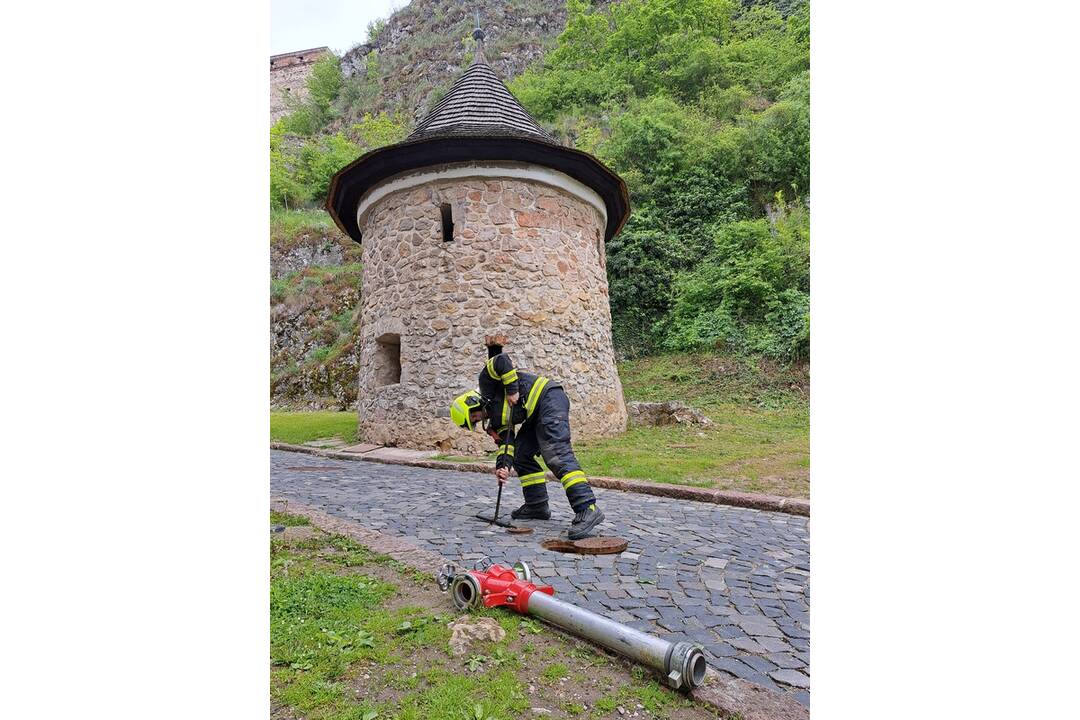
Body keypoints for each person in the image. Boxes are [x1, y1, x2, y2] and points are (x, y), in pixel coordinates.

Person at [449, 349, 605, 540]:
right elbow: (508, 446)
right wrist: (503, 467)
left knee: (557, 455)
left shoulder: (487, 384)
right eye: (474, 422)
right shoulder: (496, 422)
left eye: (473, 417)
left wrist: (512, 389)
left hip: (549, 398)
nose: (477, 419)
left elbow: (501, 360)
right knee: (521, 454)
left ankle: (587, 508)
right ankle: (537, 505)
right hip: (535, 415)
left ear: (472, 403)